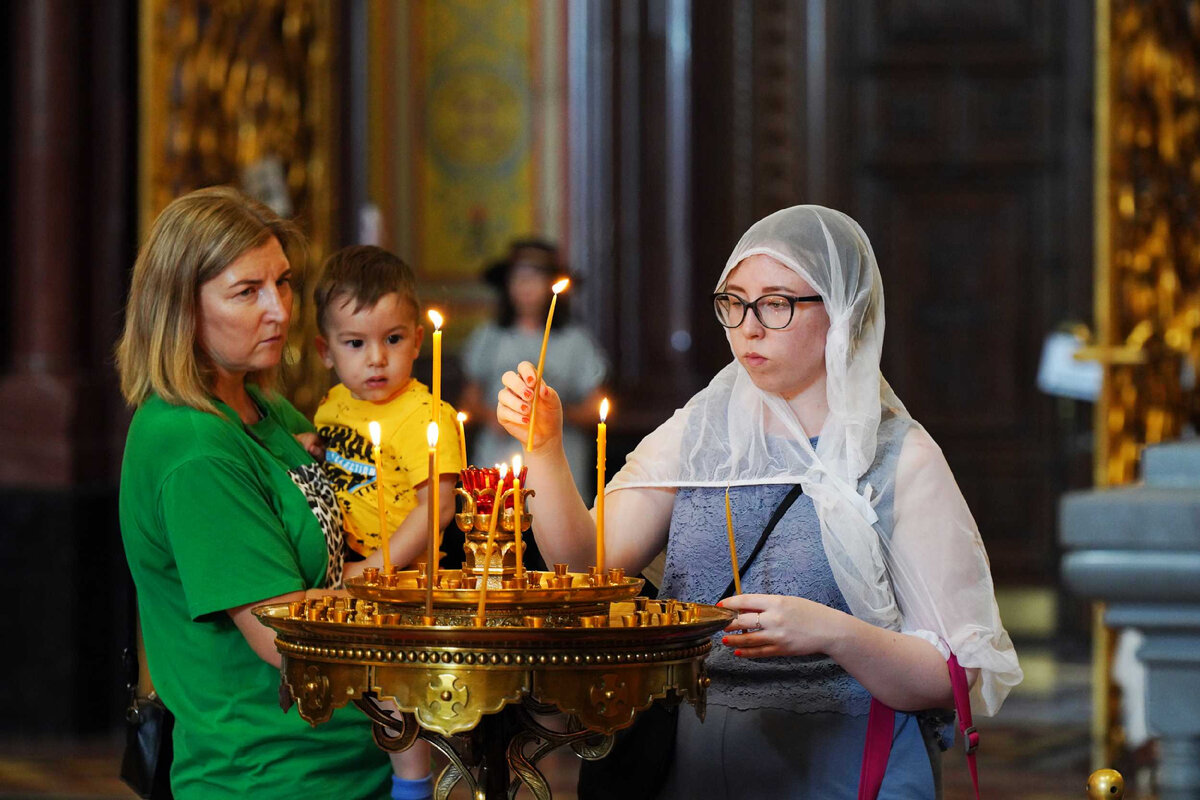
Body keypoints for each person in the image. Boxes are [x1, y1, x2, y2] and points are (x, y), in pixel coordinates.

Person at [494, 206, 1022, 798]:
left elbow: (956, 674)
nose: (748, 327)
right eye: (733, 303)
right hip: (693, 759)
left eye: (776, 304)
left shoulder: (900, 456)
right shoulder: (700, 431)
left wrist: (832, 634)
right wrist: (544, 449)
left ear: (844, 312)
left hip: (841, 763)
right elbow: (587, 566)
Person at [116, 187, 393, 798]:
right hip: (272, 773)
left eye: (284, 283)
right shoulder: (192, 443)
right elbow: (283, 633)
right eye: (248, 292)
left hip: (348, 754)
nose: (280, 310)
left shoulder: (256, 403)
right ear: (180, 308)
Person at [311, 245, 464, 800]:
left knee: (402, 684)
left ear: (417, 341)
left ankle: (414, 787)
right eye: (356, 344)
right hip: (348, 574)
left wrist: (380, 563)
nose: (376, 359)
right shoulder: (332, 407)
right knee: (363, 691)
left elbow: (438, 507)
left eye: (393, 340)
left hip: (404, 580)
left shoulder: (426, 418)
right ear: (326, 351)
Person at [460, 239, 607, 497]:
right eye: (518, 278)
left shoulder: (576, 341)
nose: (525, 287)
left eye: (535, 278)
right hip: (497, 459)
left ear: (551, 285)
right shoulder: (489, 336)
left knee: (555, 529)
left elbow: (597, 408)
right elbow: (468, 400)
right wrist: (492, 416)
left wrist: (552, 416)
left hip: (561, 461)